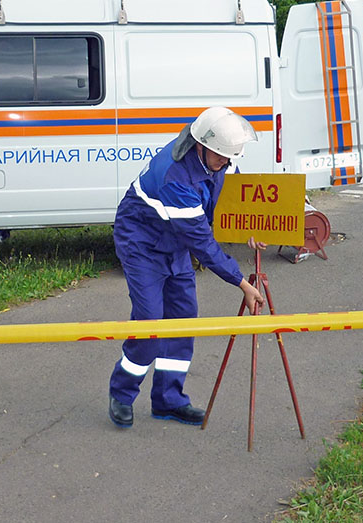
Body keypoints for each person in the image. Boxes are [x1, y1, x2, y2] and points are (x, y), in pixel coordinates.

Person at [107, 106, 265, 429]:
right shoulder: (175, 178)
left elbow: (226, 198)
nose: (227, 163)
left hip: (174, 239)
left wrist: (245, 226)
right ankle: (121, 394)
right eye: (222, 157)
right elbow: (203, 244)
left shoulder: (214, 158)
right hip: (142, 243)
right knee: (150, 323)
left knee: (182, 318)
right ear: (202, 147)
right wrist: (242, 283)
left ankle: (168, 400)